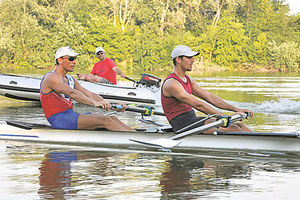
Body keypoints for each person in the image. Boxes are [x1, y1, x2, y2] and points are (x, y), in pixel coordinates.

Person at [161, 45, 253, 134]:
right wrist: (222, 116)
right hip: (182, 125)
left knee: (240, 125)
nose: (193, 60)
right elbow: (198, 105)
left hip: (192, 120)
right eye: (189, 58)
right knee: (234, 128)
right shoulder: (172, 83)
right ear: (178, 60)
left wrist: (236, 109)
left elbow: (209, 97)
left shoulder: (188, 79)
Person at [40, 46, 135, 132]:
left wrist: (105, 102)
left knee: (113, 118)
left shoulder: (70, 79)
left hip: (70, 115)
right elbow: (72, 93)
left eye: (75, 59)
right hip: (59, 119)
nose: (74, 62)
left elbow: (89, 93)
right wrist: (94, 103)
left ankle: (134, 134)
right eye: (71, 59)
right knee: (105, 120)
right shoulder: (51, 77)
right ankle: (134, 139)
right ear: (60, 60)